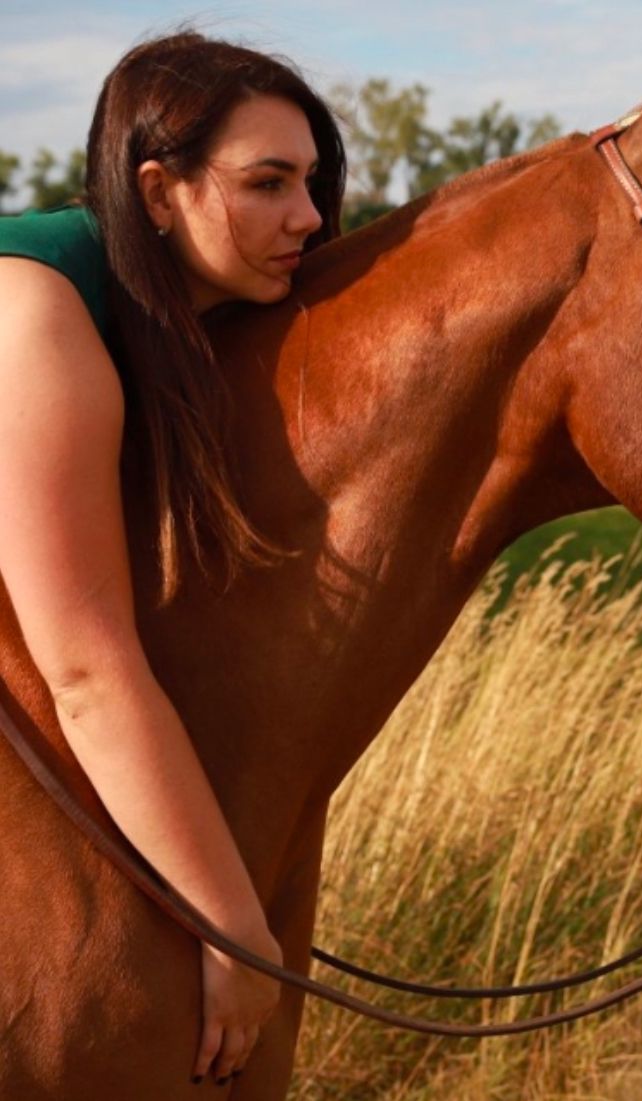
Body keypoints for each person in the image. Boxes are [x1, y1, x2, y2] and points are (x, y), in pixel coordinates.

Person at [0, 32, 346, 1085]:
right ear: (157, 191)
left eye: (312, 182)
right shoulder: (37, 314)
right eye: (268, 182)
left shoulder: (167, 322)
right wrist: (234, 930)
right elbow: (84, 669)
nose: (309, 216)